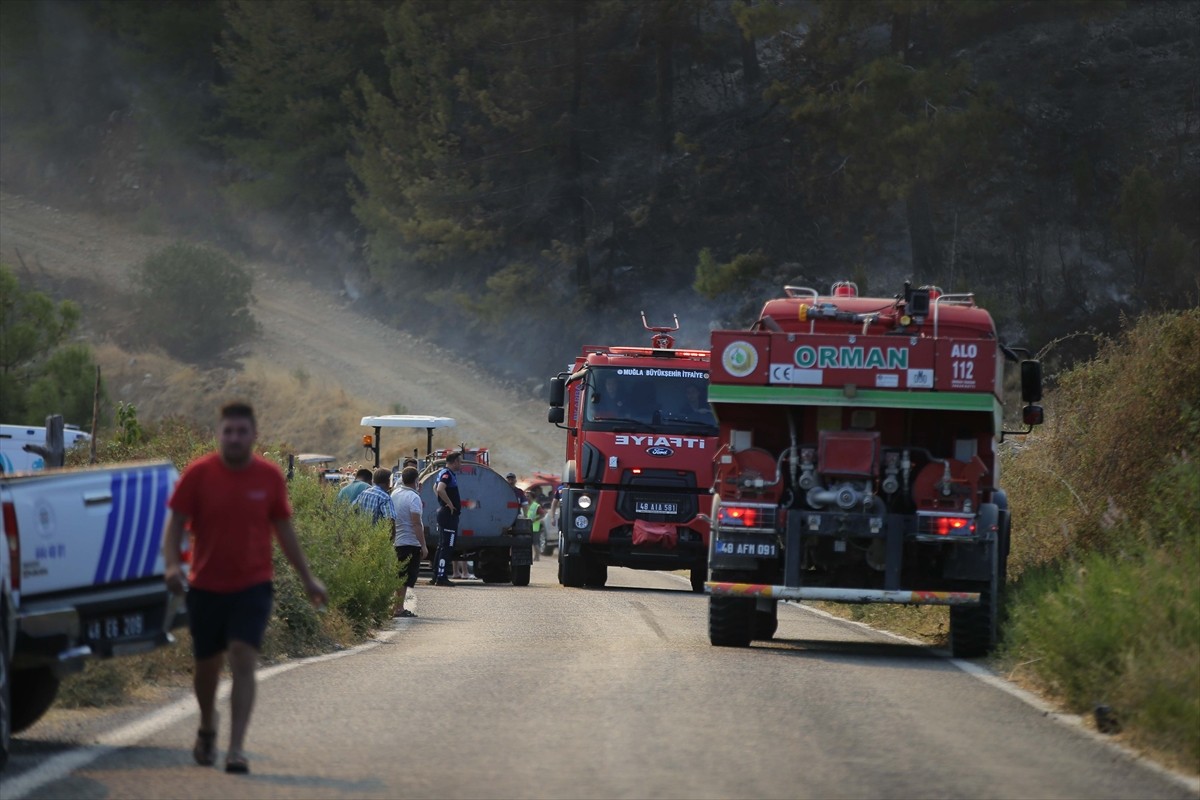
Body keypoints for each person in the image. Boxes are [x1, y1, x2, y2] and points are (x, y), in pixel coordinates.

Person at [162, 401, 327, 775]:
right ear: (218, 434)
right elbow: (174, 525)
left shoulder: (268, 477)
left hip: (253, 585)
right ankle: (207, 725)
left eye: (241, 431)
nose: (234, 438)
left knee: (243, 656)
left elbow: (284, 530)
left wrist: (308, 578)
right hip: (204, 586)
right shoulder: (199, 474)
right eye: (228, 431)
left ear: (254, 435)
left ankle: (236, 748)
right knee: (206, 667)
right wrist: (172, 565)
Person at [389, 465, 428, 617]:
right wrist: (423, 545)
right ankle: (398, 608)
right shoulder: (414, 498)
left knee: (399, 575)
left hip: (397, 540)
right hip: (410, 542)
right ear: (417, 480)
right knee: (405, 577)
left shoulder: (396, 493)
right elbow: (416, 523)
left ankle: (395, 606)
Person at [430, 451, 462, 586]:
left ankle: (436, 575)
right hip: (448, 515)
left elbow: (435, 487)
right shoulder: (447, 474)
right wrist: (448, 503)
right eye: (459, 461)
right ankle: (441, 577)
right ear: (454, 462)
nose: (460, 464)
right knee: (447, 546)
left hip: (445, 514)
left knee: (442, 546)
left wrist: (442, 501)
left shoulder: (444, 473)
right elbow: (440, 489)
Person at [527, 489, 544, 562]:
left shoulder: (536, 505)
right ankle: (533, 556)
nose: (526, 497)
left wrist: (535, 519)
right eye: (526, 496)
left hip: (535, 526)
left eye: (528, 496)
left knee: (536, 543)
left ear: (532, 497)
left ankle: (537, 556)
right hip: (527, 526)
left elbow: (542, 514)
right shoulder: (525, 505)